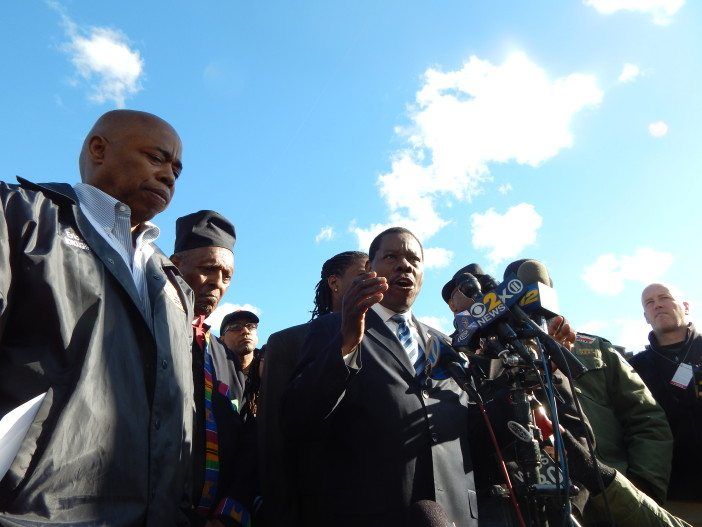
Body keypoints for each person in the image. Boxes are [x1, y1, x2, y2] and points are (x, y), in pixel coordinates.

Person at [0, 110, 194, 525]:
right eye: (157, 158)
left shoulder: (174, 284)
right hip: (34, 510)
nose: (169, 177)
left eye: (176, 169)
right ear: (99, 149)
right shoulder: (20, 214)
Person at [283, 228, 478, 526]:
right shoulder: (332, 328)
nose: (404, 265)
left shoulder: (446, 345)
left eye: (414, 259)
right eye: (391, 256)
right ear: (370, 269)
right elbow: (298, 415)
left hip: (452, 515)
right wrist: (346, 343)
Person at [259, 250, 368, 527]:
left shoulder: (392, 344)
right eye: (363, 273)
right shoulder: (287, 342)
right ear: (335, 283)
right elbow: (274, 435)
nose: (374, 279)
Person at [171, 210, 260, 527]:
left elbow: (248, 444)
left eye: (227, 276)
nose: (217, 284)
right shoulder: (147, 330)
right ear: (176, 264)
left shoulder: (224, 357)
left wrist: (227, 514)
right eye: (209, 269)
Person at [571, 332, 672, 509]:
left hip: (611, 503)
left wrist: (642, 488)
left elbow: (646, 419)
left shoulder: (595, 348)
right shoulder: (505, 356)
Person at [630, 283, 702, 523]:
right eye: (649, 302)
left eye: (664, 297)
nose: (657, 304)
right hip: (673, 500)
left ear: (686, 306)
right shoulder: (633, 368)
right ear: (646, 317)